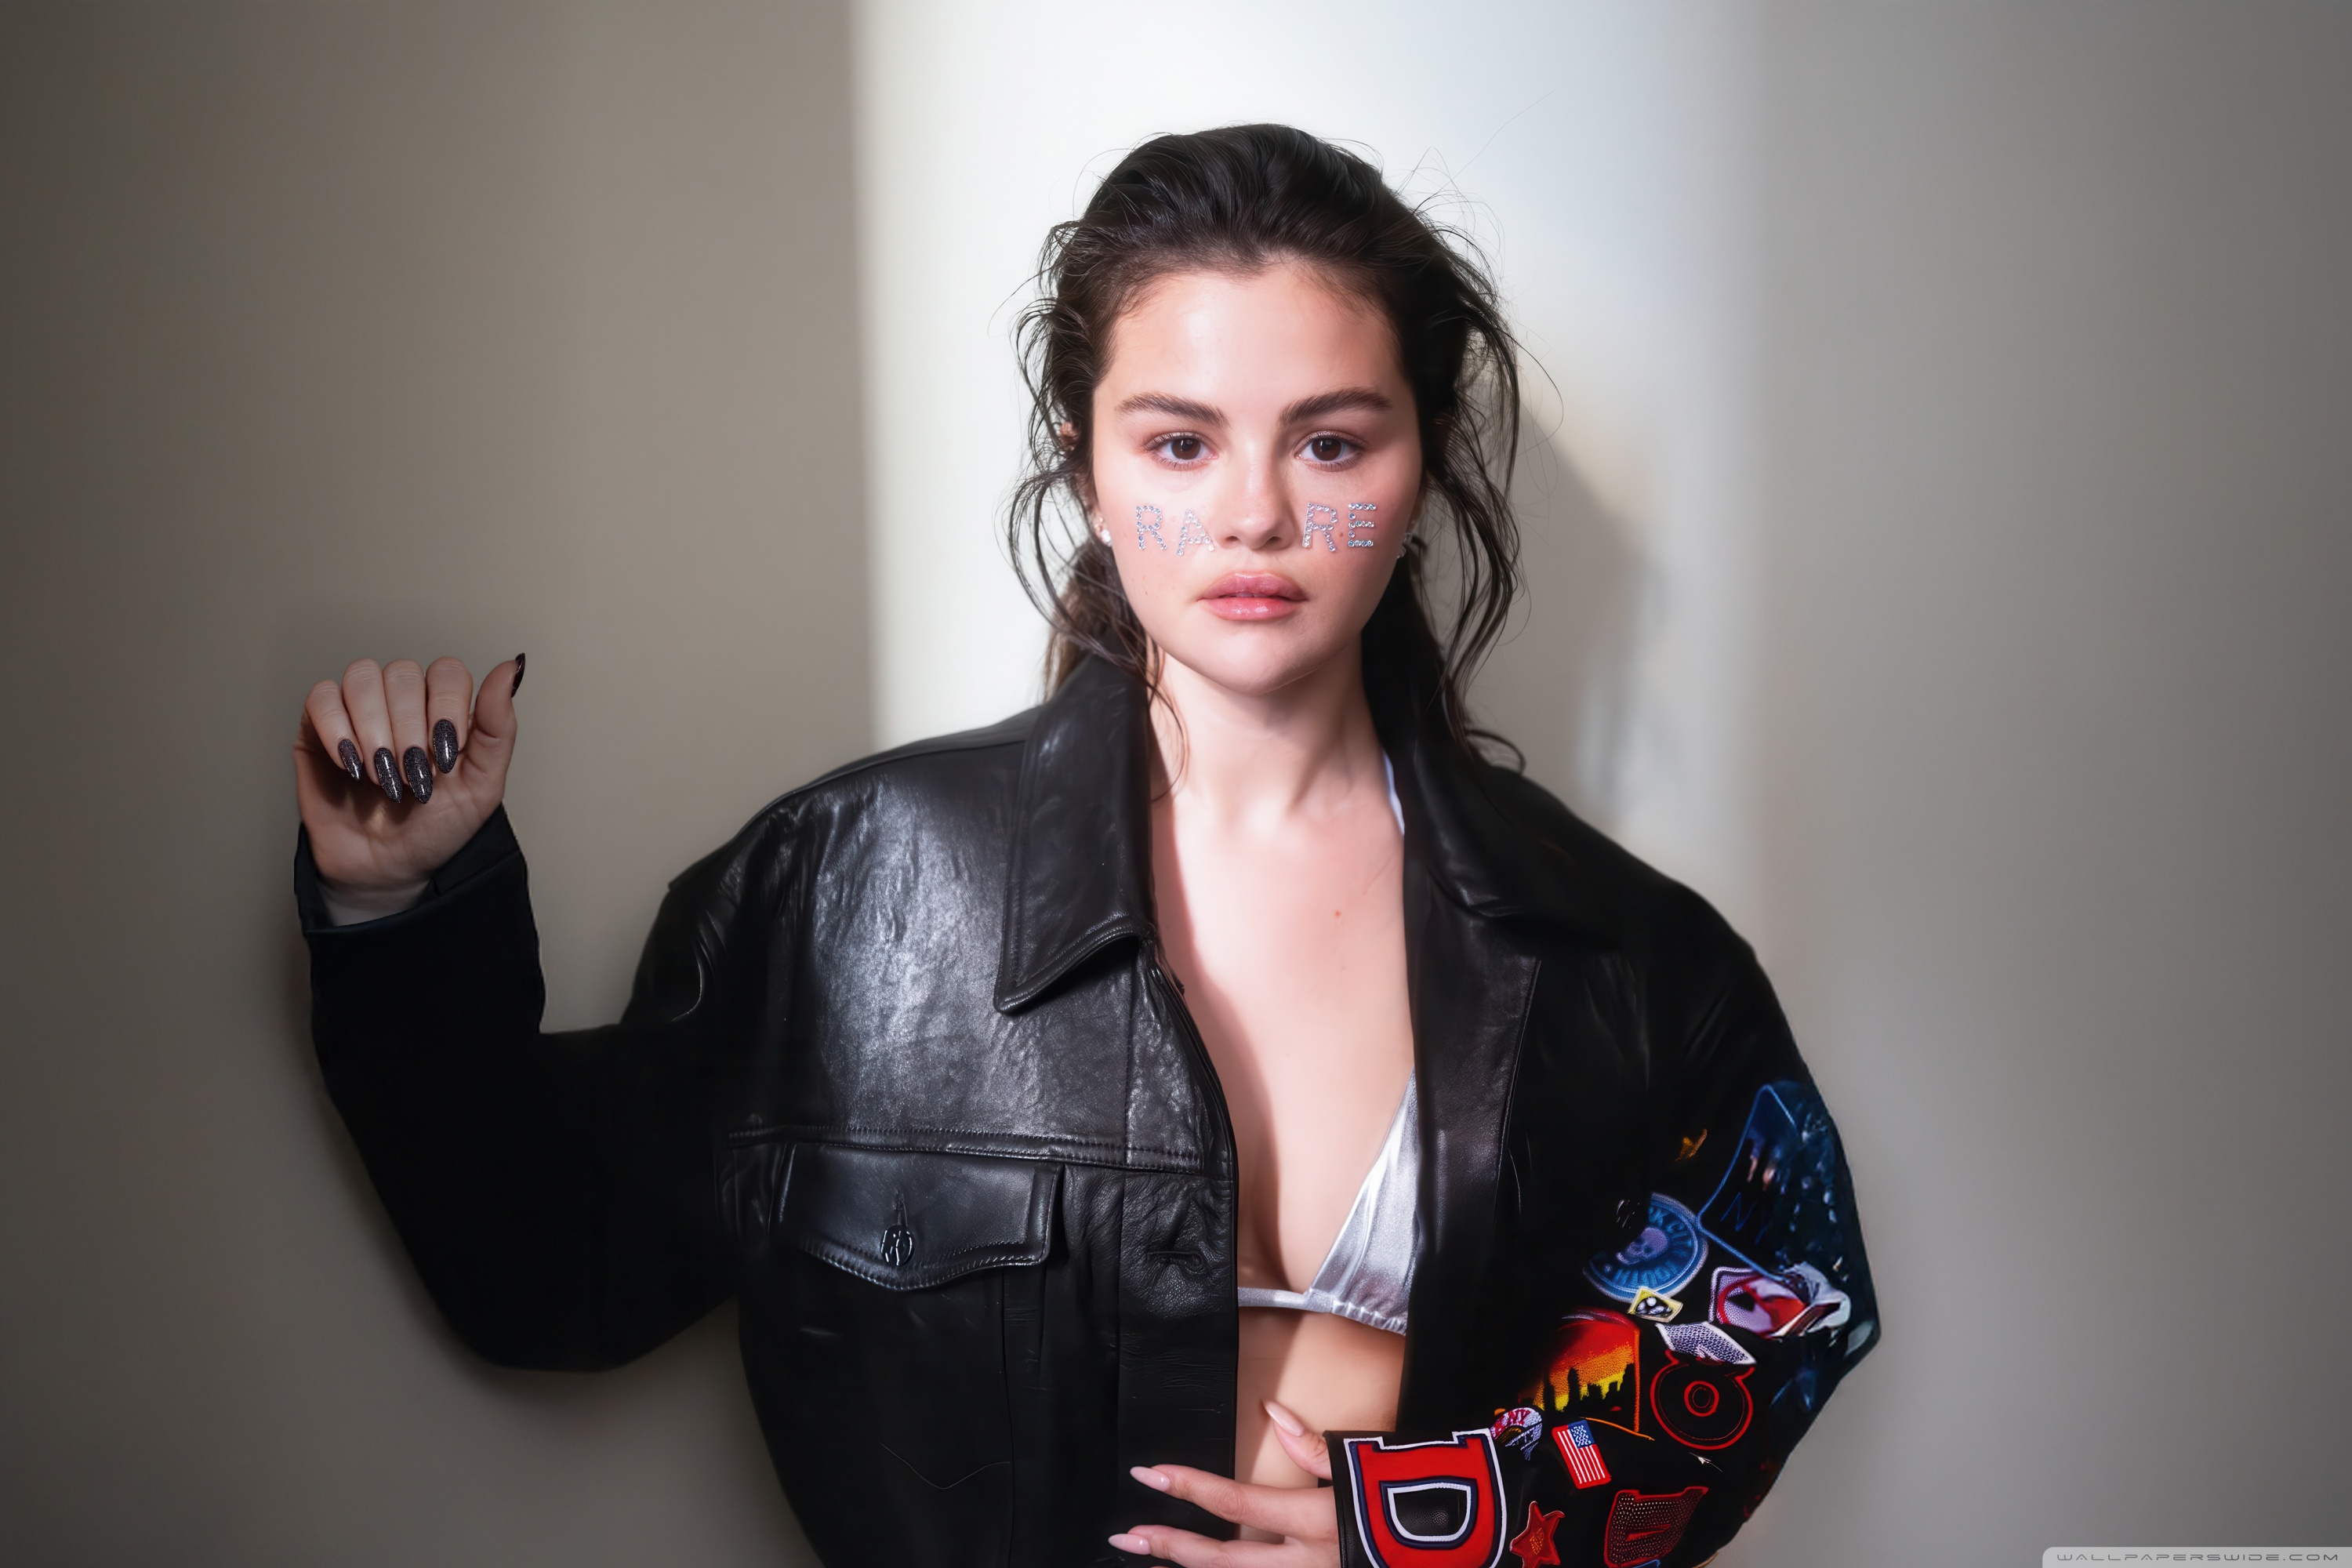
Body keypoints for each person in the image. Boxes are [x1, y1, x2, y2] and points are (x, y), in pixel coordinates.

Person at [291, 125, 1876, 1568]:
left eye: (1331, 443)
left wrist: (1451, 1526)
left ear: (1421, 467)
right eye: (1180, 444)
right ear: (1087, 467)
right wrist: (400, 907)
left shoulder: (1617, 951)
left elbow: (1779, 1314)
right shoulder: (853, 889)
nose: (1254, 515)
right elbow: (548, 1269)